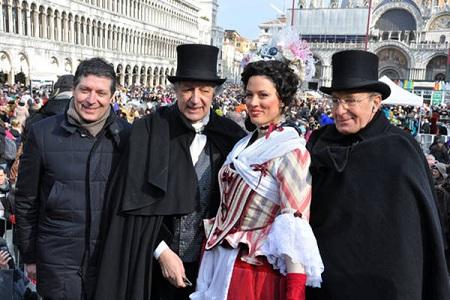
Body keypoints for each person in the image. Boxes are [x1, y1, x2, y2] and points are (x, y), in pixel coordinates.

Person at [94, 44, 246, 300]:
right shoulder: (149, 132)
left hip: (211, 270)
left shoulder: (231, 137)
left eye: (204, 91)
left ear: (214, 93)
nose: (195, 99)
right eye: (187, 89)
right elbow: (130, 206)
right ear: (175, 90)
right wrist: (161, 251)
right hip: (153, 268)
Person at [305, 50, 450, 299]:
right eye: (336, 100)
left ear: (376, 102)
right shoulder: (318, 142)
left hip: (380, 284)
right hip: (322, 283)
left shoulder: (399, 149)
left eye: (350, 100)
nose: (340, 111)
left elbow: (411, 232)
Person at [191, 59, 323, 300]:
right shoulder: (243, 142)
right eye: (249, 94)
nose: (253, 103)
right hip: (218, 260)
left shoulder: (291, 150)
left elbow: (295, 225)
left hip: (254, 274)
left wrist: (294, 293)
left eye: (263, 95)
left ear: (283, 99)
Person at [14, 57, 130, 300]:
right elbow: (26, 200)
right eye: (85, 90)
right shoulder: (42, 133)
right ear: (74, 90)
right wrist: (29, 255)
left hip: (109, 260)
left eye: (100, 92)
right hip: (58, 261)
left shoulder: (127, 136)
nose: (91, 99)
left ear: (111, 97)